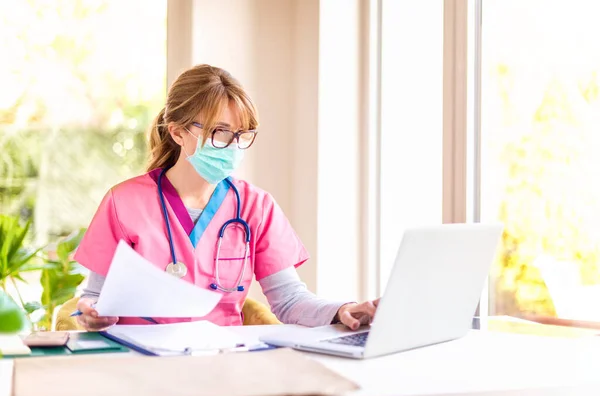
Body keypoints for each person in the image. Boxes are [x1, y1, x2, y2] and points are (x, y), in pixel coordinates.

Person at [74, 64, 379, 331]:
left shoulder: (255, 206)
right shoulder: (123, 202)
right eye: (220, 132)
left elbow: (289, 300)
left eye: (241, 133)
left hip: (223, 360)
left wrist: (340, 311)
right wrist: (93, 314)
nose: (233, 145)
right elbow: (96, 299)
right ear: (178, 132)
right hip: (141, 363)